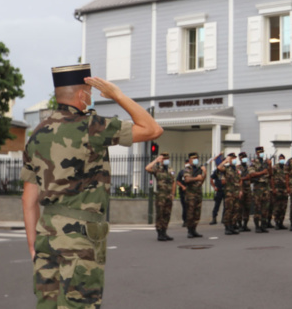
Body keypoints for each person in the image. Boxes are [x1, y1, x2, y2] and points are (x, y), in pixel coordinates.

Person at [21, 65, 162, 308]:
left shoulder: (37, 133)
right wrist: (118, 95)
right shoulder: (92, 126)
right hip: (79, 238)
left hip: (46, 237)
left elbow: (28, 198)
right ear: (82, 95)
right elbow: (152, 129)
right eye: (89, 92)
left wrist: (33, 246)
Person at [145, 153, 176, 241]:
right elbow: (147, 168)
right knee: (160, 214)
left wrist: (173, 194)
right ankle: (160, 233)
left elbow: (174, 182)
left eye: (167, 158)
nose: (166, 160)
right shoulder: (157, 169)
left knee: (167, 214)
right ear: (161, 160)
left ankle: (165, 232)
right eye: (164, 159)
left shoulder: (171, 170)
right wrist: (156, 160)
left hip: (169, 195)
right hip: (161, 195)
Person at [218, 153, 244, 235]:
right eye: (233, 158)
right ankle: (227, 227)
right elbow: (219, 167)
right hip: (229, 193)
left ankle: (233, 226)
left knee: (235, 210)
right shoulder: (226, 168)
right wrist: (225, 161)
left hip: (236, 192)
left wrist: (240, 190)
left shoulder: (237, 170)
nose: (234, 160)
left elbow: (240, 181)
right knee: (228, 210)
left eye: (235, 158)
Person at [183, 152, 206, 238]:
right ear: (190, 160)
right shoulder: (188, 168)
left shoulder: (198, 169)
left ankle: (194, 229)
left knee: (197, 213)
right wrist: (197, 178)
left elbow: (201, 181)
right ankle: (189, 230)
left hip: (198, 194)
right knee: (190, 213)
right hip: (191, 195)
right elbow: (187, 180)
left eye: (196, 158)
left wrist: (205, 173)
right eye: (193, 158)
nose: (196, 160)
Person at [271, 154, 288, 230]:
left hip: (284, 189)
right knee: (277, 207)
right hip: (277, 189)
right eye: (280, 158)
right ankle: (277, 222)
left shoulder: (286, 167)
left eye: (283, 158)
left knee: (283, 207)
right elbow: (271, 178)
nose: (282, 160)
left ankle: (281, 222)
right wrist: (273, 188)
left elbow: (288, 177)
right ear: (278, 159)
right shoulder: (275, 167)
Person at [209, 153, 226, 225]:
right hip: (219, 190)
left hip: (225, 190)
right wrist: (214, 187)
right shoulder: (216, 172)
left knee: (226, 205)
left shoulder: (226, 170)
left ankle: (224, 218)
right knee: (217, 205)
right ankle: (214, 218)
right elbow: (211, 179)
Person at [238, 152, 252, 232]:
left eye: (245, 157)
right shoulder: (238, 168)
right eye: (242, 157)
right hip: (241, 189)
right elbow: (237, 178)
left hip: (248, 189)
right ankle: (239, 224)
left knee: (247, 207)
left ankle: (245, 224)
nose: (244, 158)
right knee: (240, 207)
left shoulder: (249, 167)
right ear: (240, 158)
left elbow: (251, 177)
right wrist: (245, 178)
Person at [176, 162, 189, 227]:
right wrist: (182, 186)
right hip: (183, 192)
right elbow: (177, 181)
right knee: (185, 207)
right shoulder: (182, 172)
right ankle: (185, 221)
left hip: (191, 192)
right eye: (187, 163)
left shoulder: (193, 171)